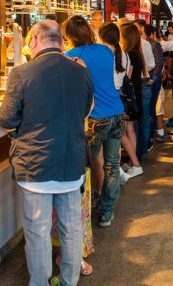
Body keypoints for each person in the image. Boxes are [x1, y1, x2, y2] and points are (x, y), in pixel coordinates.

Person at [0, 20, 93, 285]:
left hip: (35, 166)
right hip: (71, 163)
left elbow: (6, 119)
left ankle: (39, 282)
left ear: (34, 41)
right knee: (71, 229)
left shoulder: (21, 73)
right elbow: (85, 109)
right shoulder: (81, 72)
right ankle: (69, 281)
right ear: (61, 42)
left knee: (38, 233)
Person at [62, 16, 124, 228]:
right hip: (116, 112)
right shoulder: (106, 51)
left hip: (94, 118)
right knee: (112, 165)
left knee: (87, 164)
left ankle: (86, 209)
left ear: (69, 36)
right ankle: (107, 211)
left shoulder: (70, 56)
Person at [99, 23, 143, 182]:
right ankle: (131, 164)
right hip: (121, 96)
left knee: (119, 135)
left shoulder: (105, 53)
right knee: (123, 133)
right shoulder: (124, 53)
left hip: (111, 96)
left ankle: (134, 165)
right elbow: (128, 75)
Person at [119, 22, 152, 162]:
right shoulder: (136, 53)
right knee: (134, 127)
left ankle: (134, 160)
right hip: (136, 93)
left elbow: (126, 77)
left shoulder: (129, 54)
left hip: (130, 96)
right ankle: (137, 157)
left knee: (129, 130)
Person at [145, 25, 170, 143]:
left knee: (154, 108)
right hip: (153, 80)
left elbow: (158, 63)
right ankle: (157, 132)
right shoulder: (153, 44)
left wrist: (154, 77)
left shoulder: (153, 44)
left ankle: (154, 134)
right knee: (155, 108)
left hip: (152, 81)